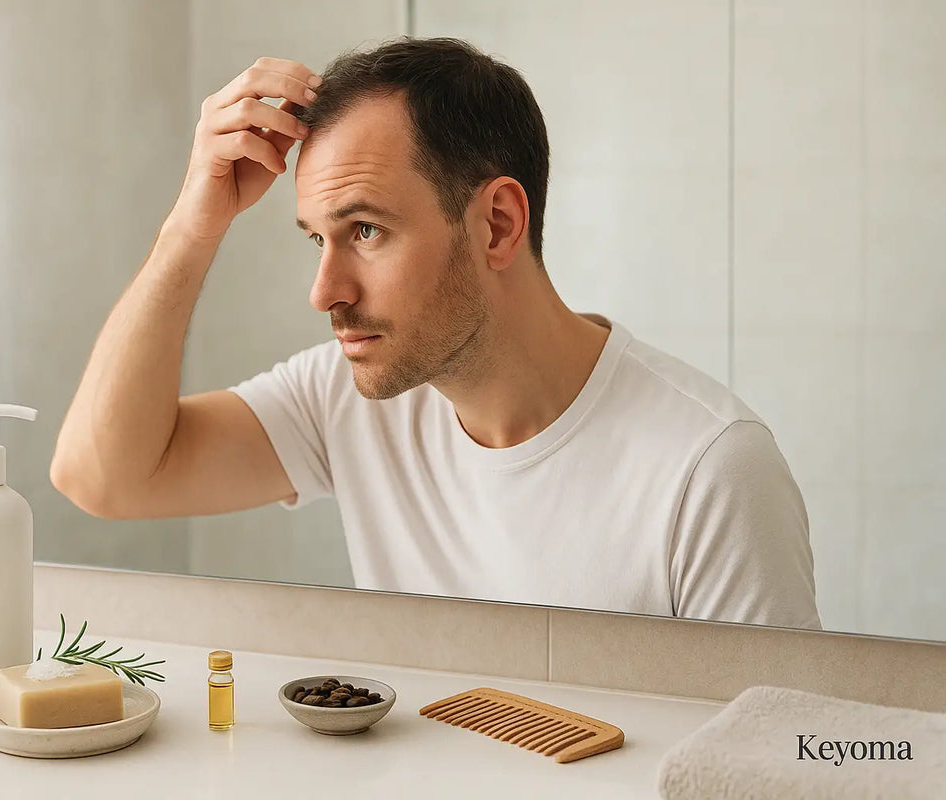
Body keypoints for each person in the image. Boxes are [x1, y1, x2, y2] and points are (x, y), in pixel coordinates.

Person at [51, 37, 821, 630]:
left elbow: (771, 760)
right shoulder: (347, 398)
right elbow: (104, 477)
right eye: (316, 239)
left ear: (497, 224)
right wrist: (194, 221)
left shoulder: (710, 470)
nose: (325, 292)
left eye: (367, 231)